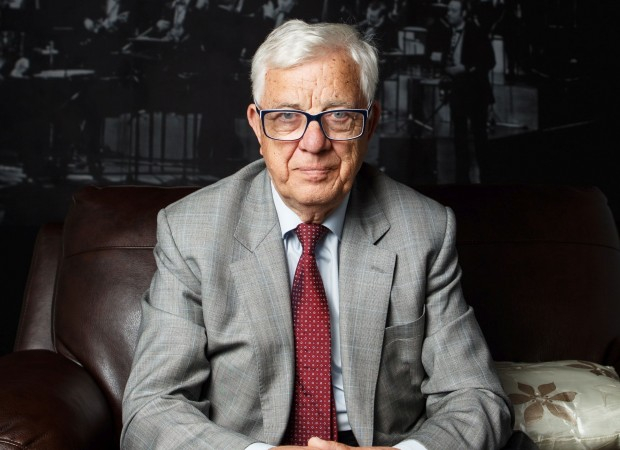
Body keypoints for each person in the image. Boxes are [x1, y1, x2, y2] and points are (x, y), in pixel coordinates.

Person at [122, 20, 516, 449]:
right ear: (257, 126)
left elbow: (476, 397)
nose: (313, 142)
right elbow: (152, 407)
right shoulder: (191, 231)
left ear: (370, 123)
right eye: (286, 117)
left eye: (339, 116)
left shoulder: (424, 230)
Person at [439, 0, 495, 183]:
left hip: (476, 92)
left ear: (463, 13)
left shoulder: (476, 32)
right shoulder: (447, 32)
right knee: (459, 138)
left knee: (480, 137)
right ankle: (462, 182)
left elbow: (489, 61)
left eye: (454, 10)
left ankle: (487, 181)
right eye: (448, 10)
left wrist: (465, 68)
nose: (449, 13)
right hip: (458, 92)